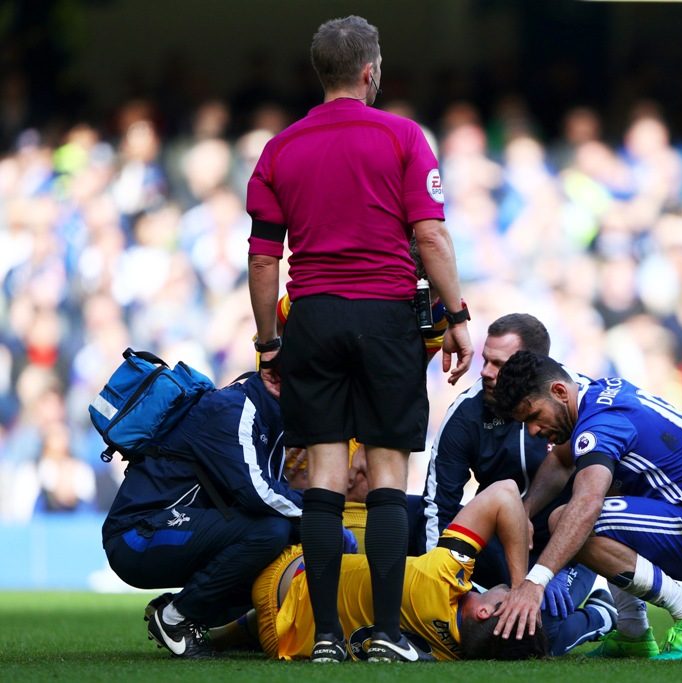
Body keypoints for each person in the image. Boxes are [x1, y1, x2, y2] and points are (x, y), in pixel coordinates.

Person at [245, 15, 473, 663]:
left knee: (320, 475)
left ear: (322, 73)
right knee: (387, 475)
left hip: (312, 317)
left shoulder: (280, 148)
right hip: (387, 319)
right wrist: (456, 314)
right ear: (370, 72)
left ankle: (322, 637)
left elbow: (264, 260)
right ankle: (387, 635)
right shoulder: (404, 137)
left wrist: (269, 342)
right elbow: (429, 235)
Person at [490, 351, 682, 661]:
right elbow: (562, 461)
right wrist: (524, 511)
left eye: (534, 416)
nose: (534, 430)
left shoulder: (600, 423)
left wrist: (535, 581)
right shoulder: (599, 396)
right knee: (585, 513)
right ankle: (633, 632)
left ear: (560, 392)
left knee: (575, 516)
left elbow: (587, 504)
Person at [245, 479, 614, 660]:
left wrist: (524, 584)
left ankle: (216, 618)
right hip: (282, 642)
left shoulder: (438, 580)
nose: (506, 590)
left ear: (486, 610)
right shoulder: (454, 653)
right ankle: (602, 613)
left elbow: (504, 493)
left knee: (328, 526)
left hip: (282, 576)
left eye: (508, 599)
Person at [103, 372, 304, 659]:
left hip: (162, 528)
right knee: (270, 532)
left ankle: (190, 610)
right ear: (277, 380)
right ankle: (176, 618)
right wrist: (324, 513)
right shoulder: (234, 409)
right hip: (135, 535)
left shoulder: (270, 419)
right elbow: (257, 494)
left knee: (279, 535)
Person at [413, 313, 575, 585]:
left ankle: (600, 607)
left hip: (566, 543)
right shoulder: (466, 414)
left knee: (545, 623)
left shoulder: (570, 399)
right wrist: (439, 587)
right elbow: (438, 507)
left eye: (498, 364)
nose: (485, 372)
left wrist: (555, 569)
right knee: (406, 510)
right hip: (502, 543)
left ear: (530, 366)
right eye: (485, 360)